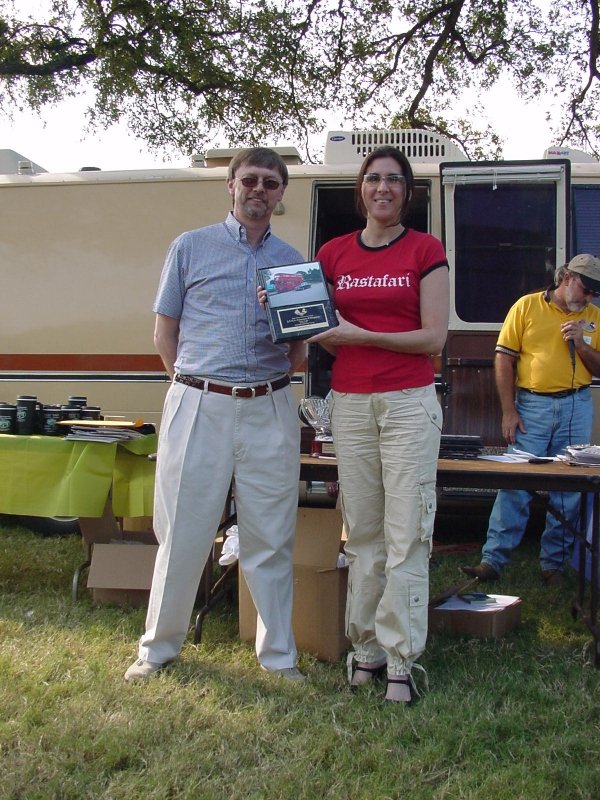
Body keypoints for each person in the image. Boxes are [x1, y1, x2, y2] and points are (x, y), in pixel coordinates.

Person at [125, 147, 307, 682]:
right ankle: (157, 650)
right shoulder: (190, 247)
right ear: (230, 185)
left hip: (270, 405)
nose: (259, 190)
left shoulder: (294, 263)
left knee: (271, 536)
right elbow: (165, 333)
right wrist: (193, 385)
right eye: (249, 179)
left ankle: (278, 659)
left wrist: (280, 322)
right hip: (199, 401)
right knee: (183, 531)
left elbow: (299, 353)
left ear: (281, 194)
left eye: (271, 183)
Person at [308, 146, 449, 703]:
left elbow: (434, 338)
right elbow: (312, 320)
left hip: (408, 402)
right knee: (362, 532)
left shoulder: (425, 248)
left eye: (393, 180)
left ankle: (401, 658)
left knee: (406, 532)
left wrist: (358, 336)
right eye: (373, 179)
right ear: (360, 190)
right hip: (351, 402)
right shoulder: (333, 253)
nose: (383, 188)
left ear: (406, 193)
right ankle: (364, 648)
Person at [462, 254, 600, 586]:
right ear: (566, 278)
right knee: (515, 483)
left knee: (569, 489)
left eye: (595, 292)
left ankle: (554, 565)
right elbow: (504, 359)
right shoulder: (526, 307)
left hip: (576, 405)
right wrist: (509, 410)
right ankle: (493, 561)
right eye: (586, 287)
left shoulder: (594, 317)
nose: (589, 297)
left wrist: (581, 345)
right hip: (532, 405)